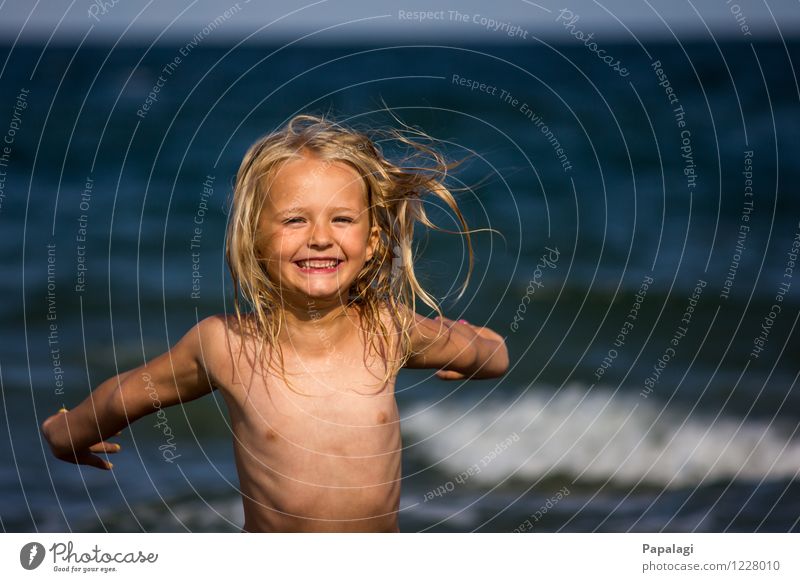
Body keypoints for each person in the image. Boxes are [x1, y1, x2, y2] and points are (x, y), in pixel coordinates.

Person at [40, 114, 509, 532]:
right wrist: (69, 433)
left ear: (371, 241)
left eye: (342, 218)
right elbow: (133, 391)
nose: (321, 238)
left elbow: (492, 353)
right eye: (294, 220)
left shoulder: (388, 331)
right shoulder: (226, 344)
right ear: (254, 240)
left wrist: (474, 357)